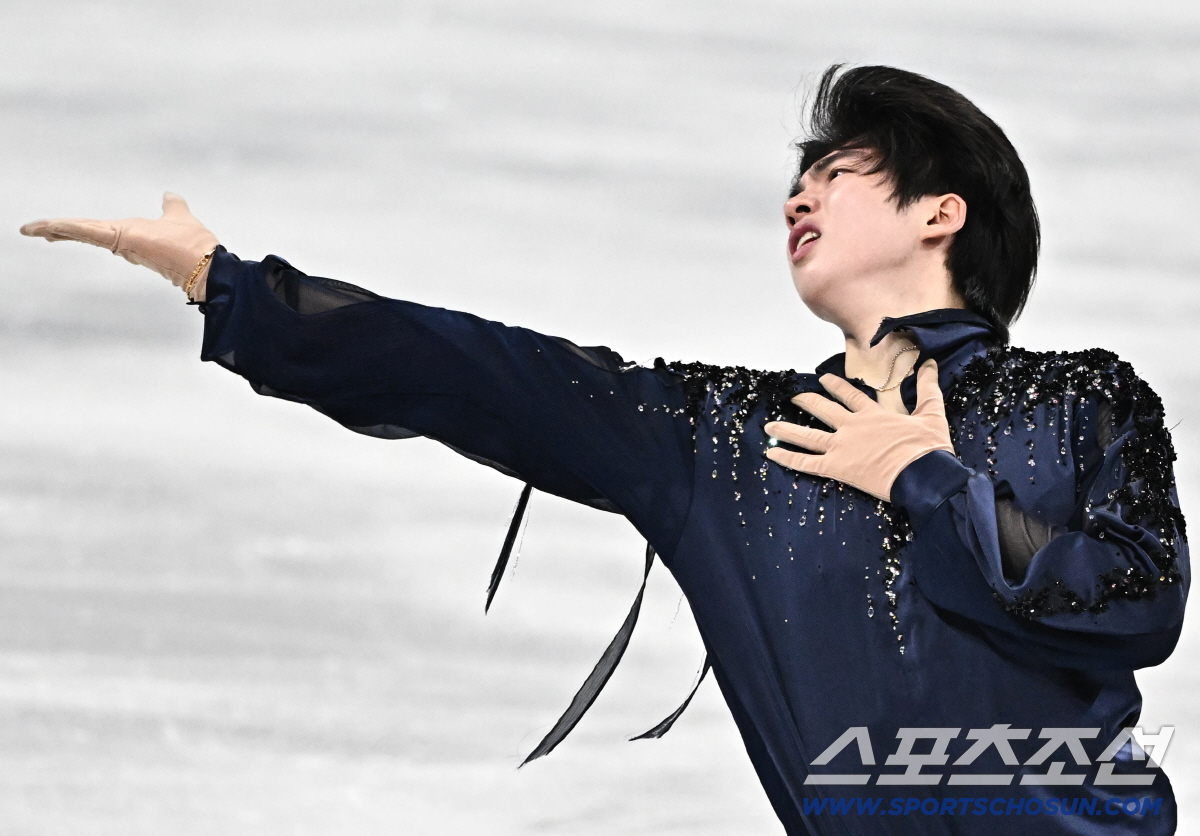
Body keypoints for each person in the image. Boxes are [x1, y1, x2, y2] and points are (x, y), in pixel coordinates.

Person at [20, 65, 1187, 834]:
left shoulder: (1082, 399)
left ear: (943, 210)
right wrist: (225, 284)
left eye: (836, 170)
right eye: (794, 178)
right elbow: (476, 372)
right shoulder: (730, 438)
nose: (798, 195)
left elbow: (1136, 601)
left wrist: (923, 480)